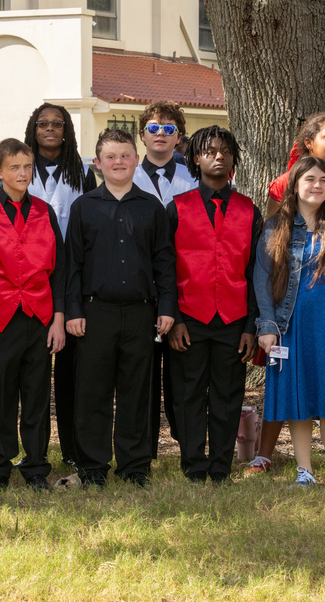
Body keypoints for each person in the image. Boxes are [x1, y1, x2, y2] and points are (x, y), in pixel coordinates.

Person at [250, 111, 325, 477]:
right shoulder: (276, 226)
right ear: (295, 185)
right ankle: (304, 469)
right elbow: (262, 276)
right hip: (291, 323)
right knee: (299, 394)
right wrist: (267, 324)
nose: (317, 185)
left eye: (323, 180)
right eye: (309, 179)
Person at [66, 129, 177, 489]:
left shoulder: (151, 207)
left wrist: (166, 306)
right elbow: (73, 265)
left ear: (135, 159)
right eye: (110, 156)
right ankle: (93, 467)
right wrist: (73, 311)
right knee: (92, 392)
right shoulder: (84, 207)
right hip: (95, 312)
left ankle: (134, 466)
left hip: (141, 313)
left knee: (136, 392)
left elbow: (164, 262)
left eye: (125, 155)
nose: (118, 162)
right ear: (98, 163)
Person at [167, 125, 261, 484]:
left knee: (227, 393)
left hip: (234, 320)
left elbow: (256, 273)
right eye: (209, 151)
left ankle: (221, 465)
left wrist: (251, 325)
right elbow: (166, 269)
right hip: (189, 317)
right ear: (195, 158)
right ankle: (193, 464)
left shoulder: (249, 210)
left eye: (225, 151)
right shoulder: (176, 208)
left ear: (234, 158)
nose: (218, 156)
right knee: (189, 394)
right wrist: (173, 318)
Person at [0, 138, 66, 491]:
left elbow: (59, 269)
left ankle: (37, 465)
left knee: (38, 394)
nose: (22, 173)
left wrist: (58, 318)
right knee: (2, 395)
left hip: (40, 316)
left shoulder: (45, 211)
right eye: (14, 167)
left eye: (27, 167)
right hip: (1, 317)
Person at [22, 104, 97, 470]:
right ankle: (31, 451)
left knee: (71, 374)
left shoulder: (83, 171)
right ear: (33, 129)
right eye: (43, 124)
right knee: (32, 372)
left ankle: (71, 449)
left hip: (72, 281)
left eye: (57, 123)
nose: (50, 129)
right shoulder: (20, 167)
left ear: (66, 130)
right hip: (28, 282)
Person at [131, 101, 199, 459]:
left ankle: (188, 448)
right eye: (154, 127)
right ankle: (144, 450)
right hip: (139, 289)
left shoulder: (194, 177)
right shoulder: (126, 176)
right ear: (142, 135)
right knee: (142, 376)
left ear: (179, 138)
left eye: (169, 129)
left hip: (184, 288)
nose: (160, 134)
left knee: (179, 376)